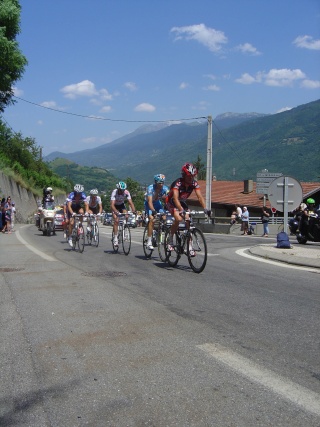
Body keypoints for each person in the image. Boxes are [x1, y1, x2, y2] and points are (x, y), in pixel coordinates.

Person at [166, 162, 210, 256]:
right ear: (184, 175)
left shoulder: (194, 183)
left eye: (192, 176)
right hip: (171, 202)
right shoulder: (178, 183)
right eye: (189, 176)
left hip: (182, 202)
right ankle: (170, 240)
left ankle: (189, 247)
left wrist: (205, 208)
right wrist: (181, 210)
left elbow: (200, 197)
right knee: (178, 218)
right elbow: (175, 198)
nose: (191, 178)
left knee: (188, 221)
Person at [144, 174, 169, 250]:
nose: (161, 184)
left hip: (158, 204)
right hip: (149, 204)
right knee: (152, 219)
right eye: (159, 183)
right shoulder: (150, 188)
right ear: (155, 182)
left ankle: (161, 231)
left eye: (163, 183)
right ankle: (149, 242)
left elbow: (169, 199)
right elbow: (150, 202)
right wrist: (153, 211)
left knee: (165, 217)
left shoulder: (165, 188)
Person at [110, 181, 136, 248]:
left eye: (123, 190)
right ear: (118, 189)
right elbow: (112, 205)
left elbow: (130, 202)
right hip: (115, 206)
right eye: (121, 190)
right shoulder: (114, 192)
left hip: (121, 205)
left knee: (126, 215)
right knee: (116, 220)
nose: (122, 191)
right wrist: (116, 211)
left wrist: (134, 210)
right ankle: (115, 238)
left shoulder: (126, 192)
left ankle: (124, 227)